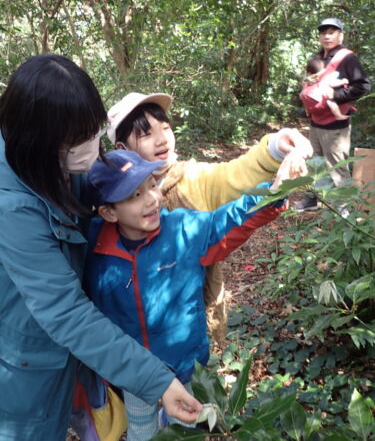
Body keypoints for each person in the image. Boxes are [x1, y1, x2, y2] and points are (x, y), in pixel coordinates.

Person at [0, 54, 201, 441]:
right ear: (41, 142)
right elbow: (65, 312)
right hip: (27, 368)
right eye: (78, 141)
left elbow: (111, 188)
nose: (92, 149)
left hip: (69, 358)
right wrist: (157, 381)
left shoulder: (58, 162)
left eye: (94, 132)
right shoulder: (12, 206)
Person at [84, 148, 303, 441]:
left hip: (184, 364)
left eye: (151, 185)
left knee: (184, 428)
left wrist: (274, 191)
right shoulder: (91, 246)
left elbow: (229, 220)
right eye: (134, 195)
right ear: (108, 212)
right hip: (134, 369)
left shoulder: (182, 230)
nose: (151, 198)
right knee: (141, 428)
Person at [106, 92, 313, 342]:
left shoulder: (192, 178)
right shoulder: (108, 198)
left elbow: (233, 174)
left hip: (192, 328)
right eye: (146, 134)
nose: (162, 140)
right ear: (122, 148)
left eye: (165, 128)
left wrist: (275, 148)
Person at [296, 17, 371, 212]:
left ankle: (344, 208)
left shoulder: (347, 58)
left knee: (337, 166)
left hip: (335, 125)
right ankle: (312, 199)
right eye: (324, 32)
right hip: (316, 121)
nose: (327, 36)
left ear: (340, 34)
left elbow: (363, 86)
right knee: (314, 162)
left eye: (332, 32)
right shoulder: (319, 58)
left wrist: (336, 95)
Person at [301, 56, 352, 121]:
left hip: (307, 98)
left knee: (305, 100)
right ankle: (338, 115)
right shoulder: (323, 78)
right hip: (318, 98)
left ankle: (308, 112)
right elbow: (332, 83)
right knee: (331, 101)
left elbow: (304, 85)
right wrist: (343, 81)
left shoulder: (306, 79)